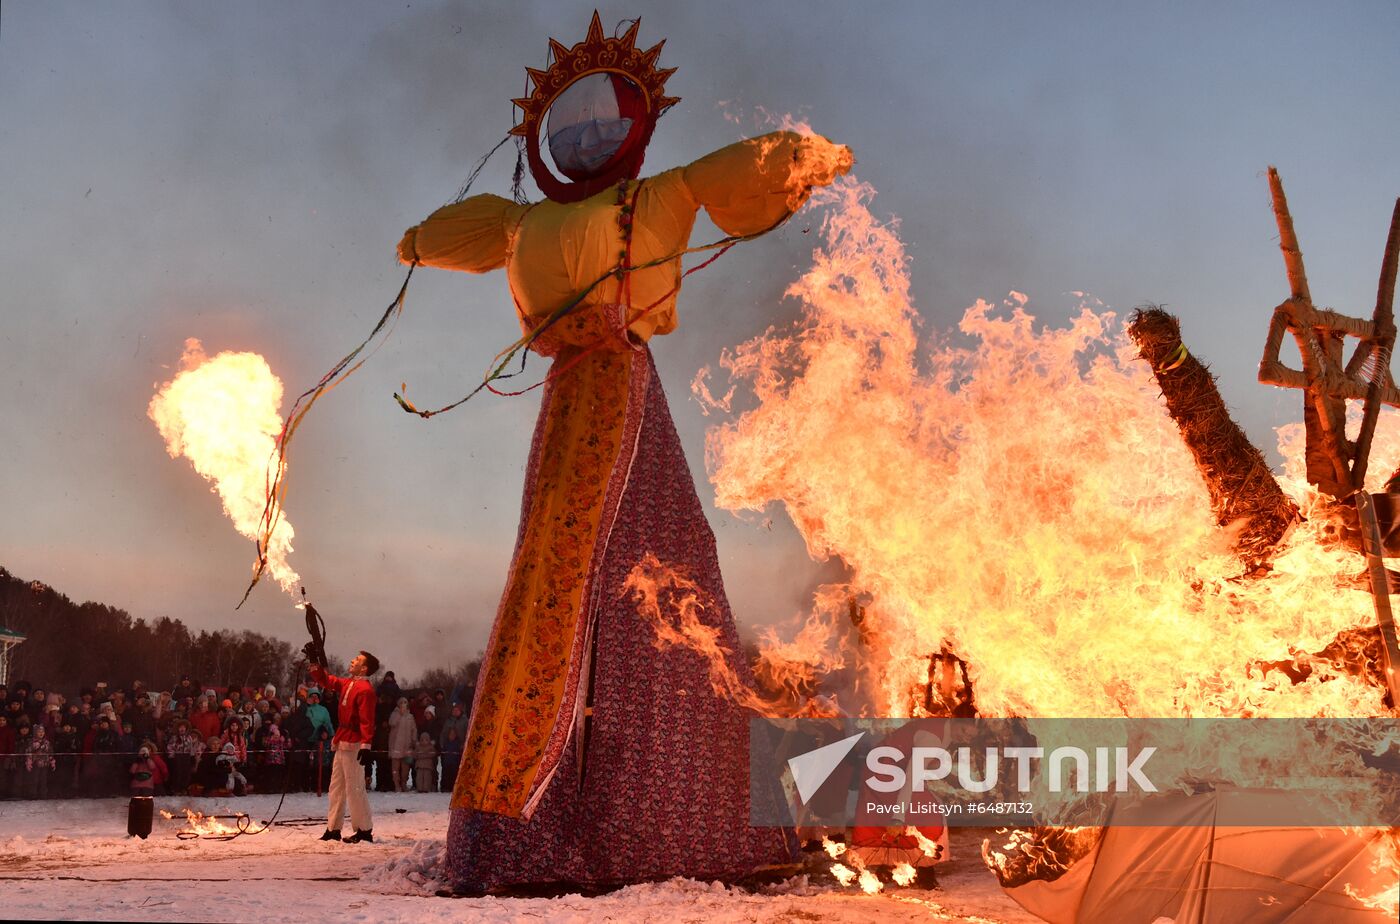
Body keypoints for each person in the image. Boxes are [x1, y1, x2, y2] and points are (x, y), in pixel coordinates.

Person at [395, 13, 847, 892]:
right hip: (604, 398)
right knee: (605, 570)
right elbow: (744, 170)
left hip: (582, 405)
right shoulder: (642, 198)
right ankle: (615, 816)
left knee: (578, 574)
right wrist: (810, 157)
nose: (590, 135)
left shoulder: (524, 224)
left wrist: (414, 242)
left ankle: (561, 810)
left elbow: (438, 234)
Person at [309, 650, 378, 843]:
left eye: (357, 660)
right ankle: (333, 828)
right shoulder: (349, 683)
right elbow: (328, 681)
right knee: (336, 786)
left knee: (355, 787)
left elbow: (367, 720)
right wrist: (315, 664)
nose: (352, 660)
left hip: (354, 742)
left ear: (364, 668)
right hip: (342, 739)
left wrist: (366, 745)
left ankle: (364, 829)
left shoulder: (365, 690)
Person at [387, 697, 416, 793]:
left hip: (407, 746)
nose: (403, 704)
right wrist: (400, 714)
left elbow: (414, 729)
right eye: (402, 702)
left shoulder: (410, 716)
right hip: (396, 745)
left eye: (405, 702)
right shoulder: (394, 714)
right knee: (395, 768)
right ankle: (397, 785)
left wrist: (414, 740)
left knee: (405, 768)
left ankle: (404, 783)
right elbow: (392, 723)